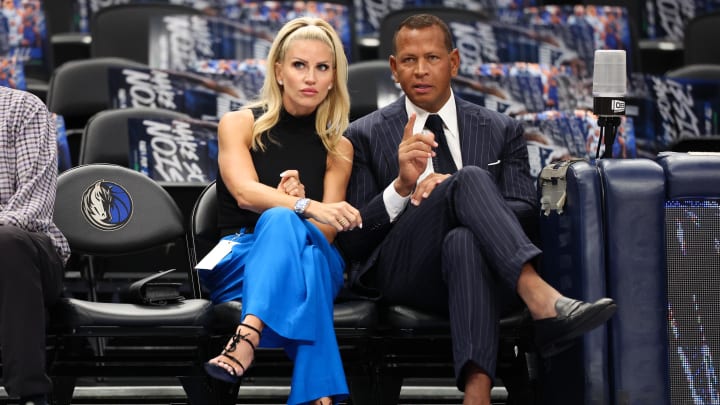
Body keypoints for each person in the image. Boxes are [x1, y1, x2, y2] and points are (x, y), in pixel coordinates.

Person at [340, 14, 617, 405]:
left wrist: (458, 196)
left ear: (453, 62)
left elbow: (525, 209)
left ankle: (477, 395)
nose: (420, 70)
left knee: (464, 240)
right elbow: (353, 240)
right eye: (409, 60)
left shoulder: (500, 129)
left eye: (432, 58)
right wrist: (403, 187)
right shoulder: (365, 134)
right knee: (468, 178)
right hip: (404, 271)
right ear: (394, 68)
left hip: (481, 265)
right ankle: (539, 297)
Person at [199, 17, 361, 405]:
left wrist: (298, 213)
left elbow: (325, 236)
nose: (310, 77)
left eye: (322, 67)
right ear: (279, 71)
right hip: (242, 257)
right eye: (299, 65)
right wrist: (302, 206)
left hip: (316, 252)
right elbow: (244, 193)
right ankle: (317, 396)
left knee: (289, 227)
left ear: (333, 77)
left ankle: (248, 335)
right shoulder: (239, 124)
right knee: (284, 227)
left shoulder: (340, 146)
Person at [0, 86, 70, 405]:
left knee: (6, 242)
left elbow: (32, 208)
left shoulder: (22, 108)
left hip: (27, 251)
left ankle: (30, 394)